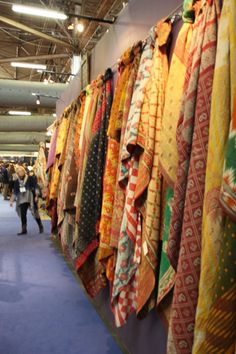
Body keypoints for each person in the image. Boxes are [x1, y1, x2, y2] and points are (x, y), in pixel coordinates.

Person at [10, 166, 44, 236]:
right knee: (23, 214)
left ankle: (40, 225)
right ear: (17, 173)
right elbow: (15, 191)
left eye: (22, 171)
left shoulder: (30, 178)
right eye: (19, 171)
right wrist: (11, 200)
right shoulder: (17, 181)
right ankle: (24, 229)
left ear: (24, 171)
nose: (20, 172)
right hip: (22, 199)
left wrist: (36, 196)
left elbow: (36, 187)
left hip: (31, 198)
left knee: (35, 212)